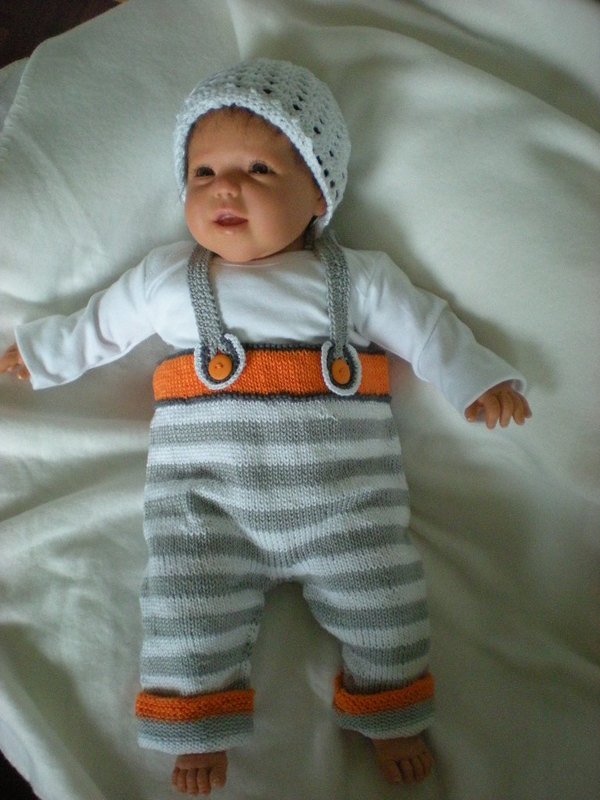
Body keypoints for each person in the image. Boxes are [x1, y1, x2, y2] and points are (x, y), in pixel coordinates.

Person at [0, 59, 531, 795]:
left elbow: (427, 328)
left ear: (318, 194)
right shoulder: (167, 278)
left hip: (346, 509)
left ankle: (391, 714)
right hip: (208, 507)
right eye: (204, 172)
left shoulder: (357, 278)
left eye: (257, 169)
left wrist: (476, 377)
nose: (226, 187)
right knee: (184, 609)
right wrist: (44, 353)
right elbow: (100, 327)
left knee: (387, 601)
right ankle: (196, 724)